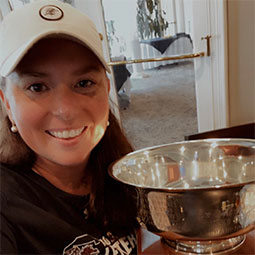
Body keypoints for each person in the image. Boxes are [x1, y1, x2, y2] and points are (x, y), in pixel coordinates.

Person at [0, 0, 139, 254]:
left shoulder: (120, 167)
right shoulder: (7, 205)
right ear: (7, 103)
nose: (65, 111)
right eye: (37, 87)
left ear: (106, 89)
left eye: (84, 83)